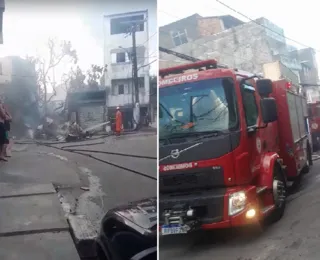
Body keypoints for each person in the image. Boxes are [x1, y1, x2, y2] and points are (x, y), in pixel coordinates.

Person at [0, 96, 10, 161]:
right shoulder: (0, 105)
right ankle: (2, 155)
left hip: (3, 125)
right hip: (1, 124)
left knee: (2, 140)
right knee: (5, 141)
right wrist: (6, 113)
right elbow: (4, 115)